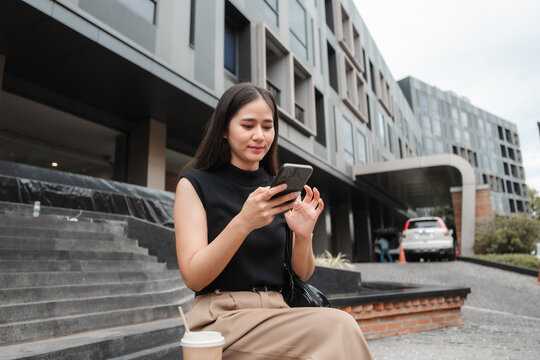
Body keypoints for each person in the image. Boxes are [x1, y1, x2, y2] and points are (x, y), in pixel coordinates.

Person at [174, 83, 373, 359]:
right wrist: (243, 222)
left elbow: (301, 273)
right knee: (340, 327)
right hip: (222, 320)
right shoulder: (194, 185)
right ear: (223, 129)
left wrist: (303, 235)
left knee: (335, 329)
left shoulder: (278, 188)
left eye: (267, 127)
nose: (259, 136)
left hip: (279, 313)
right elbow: (194, 277)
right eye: (248, 125)